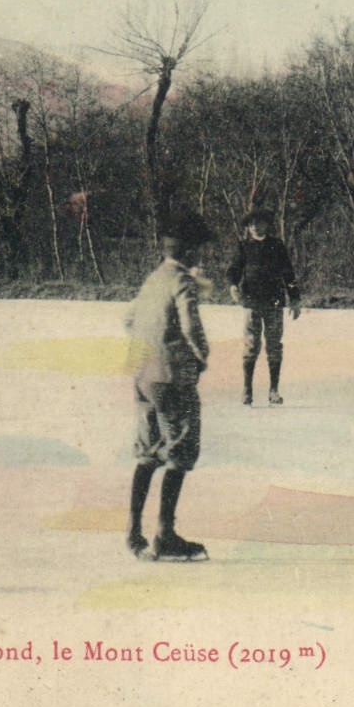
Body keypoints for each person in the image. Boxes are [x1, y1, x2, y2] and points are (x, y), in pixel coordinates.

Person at [123, 212, 214, 562]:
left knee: (149, 452)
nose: (203, 256)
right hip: (173, 378)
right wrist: (200, 357)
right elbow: (191, 325)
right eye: (201, 250)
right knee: (180, 451)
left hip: (144, 375)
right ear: (189, 252)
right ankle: (165, 534)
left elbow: (129, 319)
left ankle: (134, 533)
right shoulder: (182, 281)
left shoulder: (153, 278)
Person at [226, 208, 301, 406]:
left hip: (274, 303)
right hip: (251, 302)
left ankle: (274, 389)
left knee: (274, 346)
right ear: (248, 228)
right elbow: (234, 269)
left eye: (259, 223)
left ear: (267, 225)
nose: (255, 227)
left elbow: (289, 274)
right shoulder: (244, 247)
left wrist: (295, 299)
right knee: (251, 346)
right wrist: (233, 286)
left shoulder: (277, 246)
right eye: (252, 224)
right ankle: (247, 389)